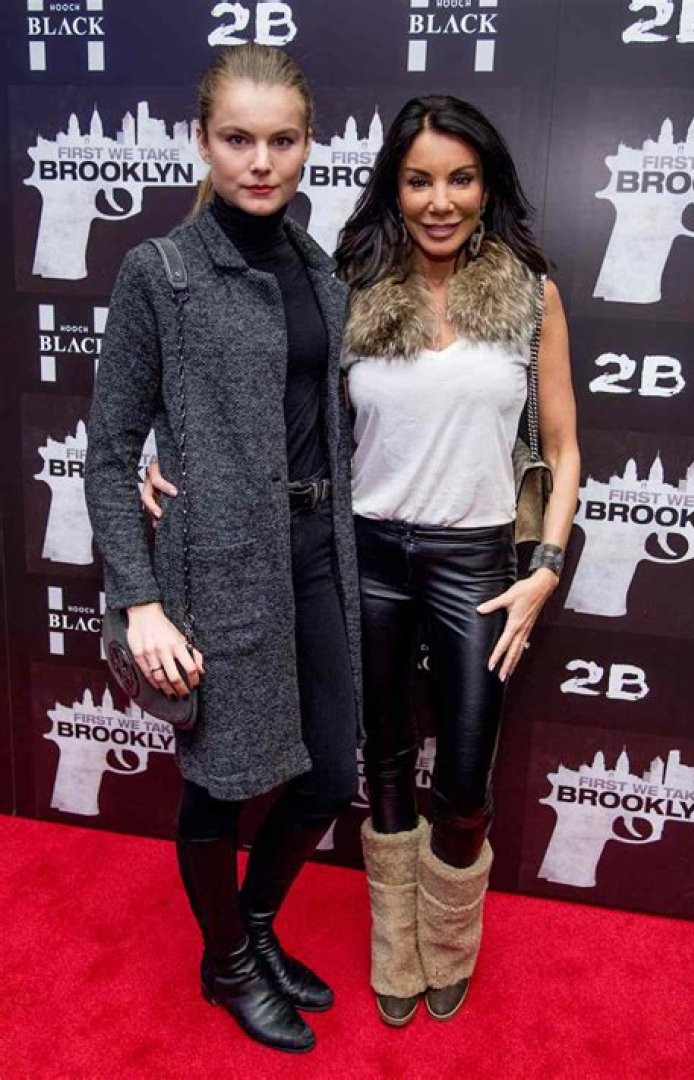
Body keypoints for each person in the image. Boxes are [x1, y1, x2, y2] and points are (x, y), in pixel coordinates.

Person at [143, 94, 580, 1028]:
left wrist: (544, 567)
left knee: (463, 789)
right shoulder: (348, 286)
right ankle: (395, 948)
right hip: (364, 553)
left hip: (477, 564)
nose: (439, 201)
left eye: (460, 179)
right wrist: (161, 453)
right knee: (382, 768)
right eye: (419, 180)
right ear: (394, 189)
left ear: (487, 186)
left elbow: (563, 445)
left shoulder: (530, 294)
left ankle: (448, 942)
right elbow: (262, 389)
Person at [85, 44, 362, 1055]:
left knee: (329, 771)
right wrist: (141, 600)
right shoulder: (160, 273)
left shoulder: (321, 269)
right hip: (219, 562)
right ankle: (229, 964)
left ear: (308, 145)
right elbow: (110, 451)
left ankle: (252, 929)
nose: (260, 161)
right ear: (201, 142)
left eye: (282, 140)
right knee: (221, 779)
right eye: (238, 138)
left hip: (319, 550)